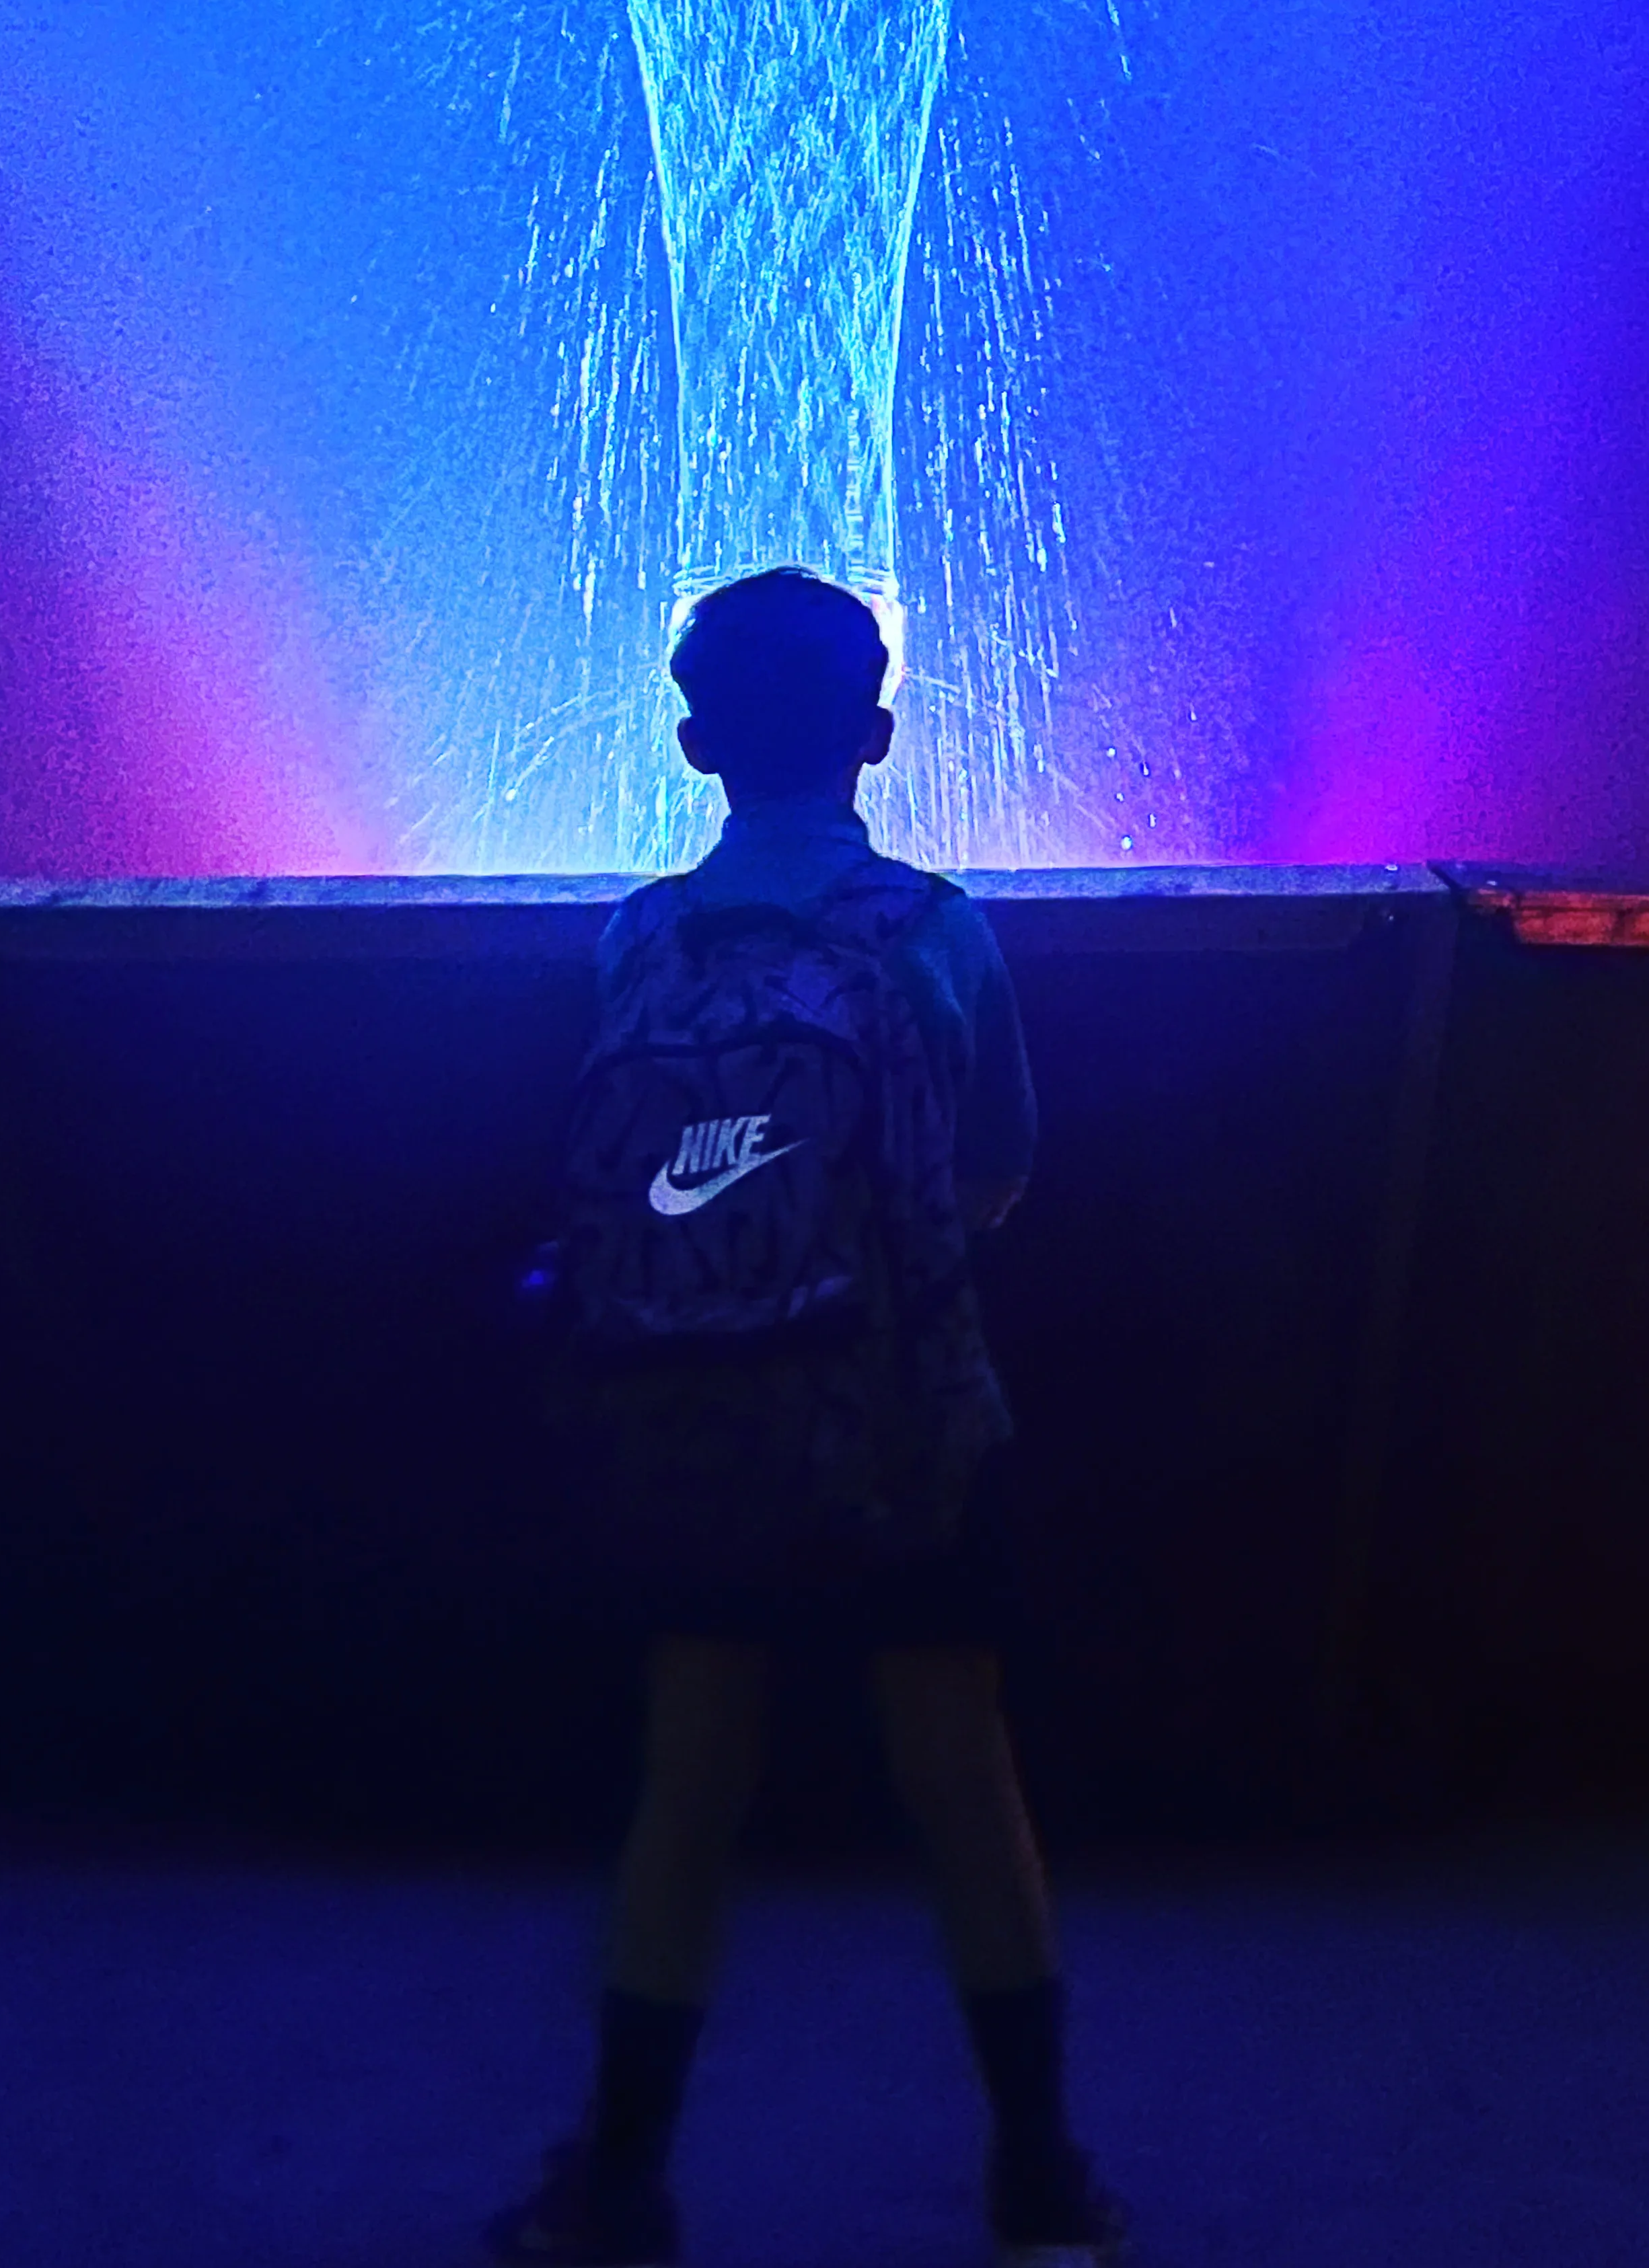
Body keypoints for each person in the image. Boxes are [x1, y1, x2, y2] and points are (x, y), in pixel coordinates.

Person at [482, 568, 1129, 2268]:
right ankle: (1040, 2174)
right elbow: (999, 1167)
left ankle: (619, 2182)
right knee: (963, 1778)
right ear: (880, 738)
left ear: (692, 745)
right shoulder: (936, 930)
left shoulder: (639, 935)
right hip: (905, 1417)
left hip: (697, 1419)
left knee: (688, 1780)